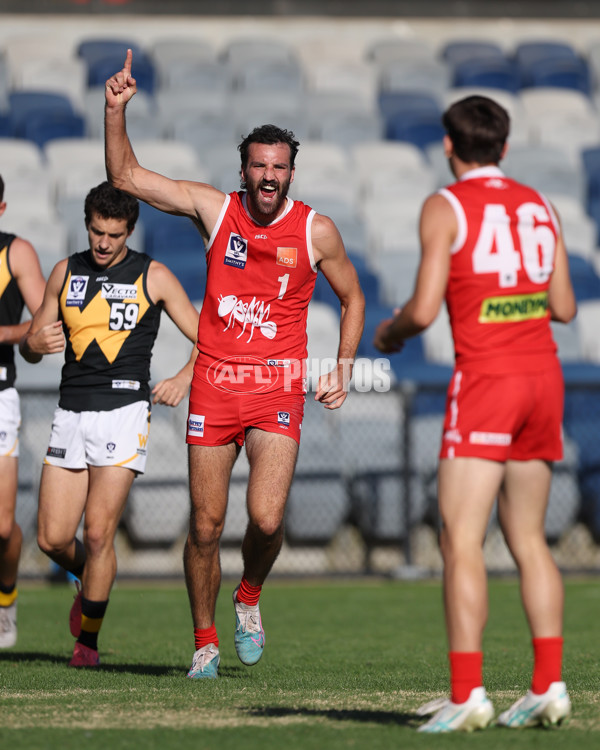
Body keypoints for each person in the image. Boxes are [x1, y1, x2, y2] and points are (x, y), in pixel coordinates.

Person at [104, 50, 365, 679]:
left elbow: (353, 296)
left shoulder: (316, 231)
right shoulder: (215, 210)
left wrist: (345, 365)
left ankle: (249, 595)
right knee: (205, 524)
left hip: (276, 384)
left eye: (279, 168)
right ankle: (204, 642)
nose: (268, 177)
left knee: (267, 519)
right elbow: (128, 177)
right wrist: (115, 112)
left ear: (292, 173)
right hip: (216, 384)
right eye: (259, 166)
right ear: (243, 171)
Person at [374, 95, 576, 732]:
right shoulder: (541, 205)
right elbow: (566, 307)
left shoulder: (446, 203)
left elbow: (426, 309)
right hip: (544, 378)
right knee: (530, 540)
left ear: (447, 144)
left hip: (488, 380)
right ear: (506, 146)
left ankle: (468, 695)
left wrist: (391, 331)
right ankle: (548, 686)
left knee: (460, 539)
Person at [20, 181, 200, 667]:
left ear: (130, 231)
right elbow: (31, 344)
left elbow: (208, 336)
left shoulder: (154, 275)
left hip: (124, 413)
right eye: (97, 232)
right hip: (71, 412)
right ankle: (91, 577)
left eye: (114, 235)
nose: (103, 243)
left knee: (99, 534)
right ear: (87, 225)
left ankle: (88, 644)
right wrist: (34, 345)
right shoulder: (64, 271)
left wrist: (183, 376)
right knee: (52, 538)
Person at [0, 175, 47, 648]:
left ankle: (6, 597)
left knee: (1, 526)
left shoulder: (16, 253)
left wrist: (1, 335)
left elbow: (42, 321)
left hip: (0, 394)